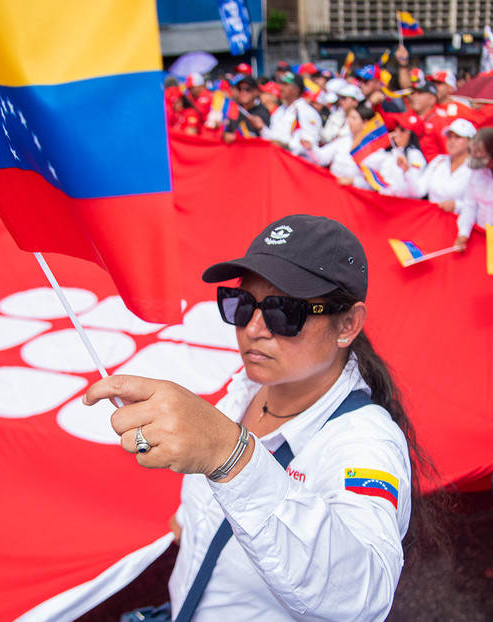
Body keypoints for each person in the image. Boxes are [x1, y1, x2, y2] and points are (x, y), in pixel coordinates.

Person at [84, 214, 424, 620]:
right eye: (241, 304)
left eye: (285, 311)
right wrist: (193, 521)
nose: (255, 328)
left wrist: (231, 456)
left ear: (347, 325)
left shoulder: (365, 444)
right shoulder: (245, 388)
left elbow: (362, 596)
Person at [304, 105, 406, 196]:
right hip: (333, 189)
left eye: (354, 118)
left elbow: (376, 182)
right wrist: (310, 148)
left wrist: (353, 181)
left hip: (355, 197)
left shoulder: (374, 149)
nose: (349, 121)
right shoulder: (343, 141)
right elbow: (322, 157)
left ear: (365, 123)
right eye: (349, 117)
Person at [405, 118, 474, 210]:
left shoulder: (476, 169)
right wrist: (407, 170)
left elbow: (479, 206)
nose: (452, 141)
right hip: (434, 220)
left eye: (458, 137)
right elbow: (418, 191)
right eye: (449, 137)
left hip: (458, 221)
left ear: (470, 142)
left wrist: (456, 205)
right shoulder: (439, 161)